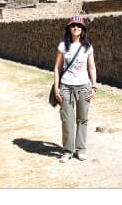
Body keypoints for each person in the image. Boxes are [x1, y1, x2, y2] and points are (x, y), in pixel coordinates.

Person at [53, 15, 98, 163]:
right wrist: (56, 88)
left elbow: (91, 67)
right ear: (69, 28)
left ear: (83, 29)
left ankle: (81, 149)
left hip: (84, 86)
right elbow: (57, 68)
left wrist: (94, 86)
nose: (76, 28)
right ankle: (67, 151)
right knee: (67, 120)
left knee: (82, 119)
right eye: (73, 26)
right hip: (66, 86)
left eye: (79, 26)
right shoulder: (63, 46)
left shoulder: (87, 47)